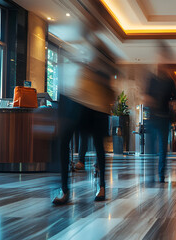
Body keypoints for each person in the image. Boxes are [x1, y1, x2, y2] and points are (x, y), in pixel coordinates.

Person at [53, 33, 116, 205]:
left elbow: (111, 89)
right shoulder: (79, 55)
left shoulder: (105, 62)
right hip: (76, 103)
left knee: (98, 146)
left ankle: (102, 185)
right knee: (64, 141)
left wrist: (93, 71)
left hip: (96, 108)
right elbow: (69, 82)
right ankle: (64, 189)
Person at [144, 41, 176, 183]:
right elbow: (145, 96)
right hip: (152, 118)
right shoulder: (151, 79)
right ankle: (152, 175)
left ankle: (161, 175)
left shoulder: (170, 81)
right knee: (151, 148)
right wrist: (148, 100)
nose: (161, 62)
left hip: (164, 119)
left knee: (163, 149)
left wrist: (174, 103)